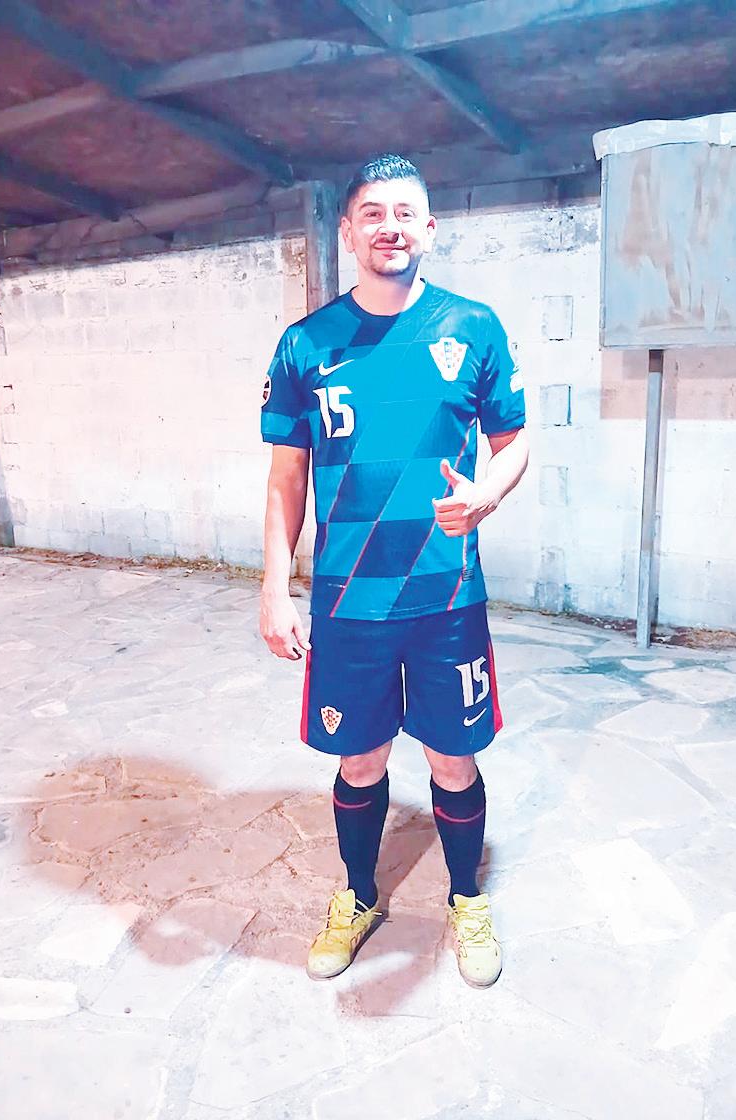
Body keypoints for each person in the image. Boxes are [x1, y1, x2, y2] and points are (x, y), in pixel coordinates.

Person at [259, 153, 528, 988]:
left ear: (430, 229)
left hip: (447, 598)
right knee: (359, 761)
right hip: (348, 603)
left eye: (405, 212)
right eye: (372, 214)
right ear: (348, 231)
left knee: (453, 761)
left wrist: (485, 493)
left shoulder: (472, 328)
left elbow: (515, 440)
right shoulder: (305, 345)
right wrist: (273, 586)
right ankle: (359, 895)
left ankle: (465, 898)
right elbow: (286, 478)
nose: (390, 227)